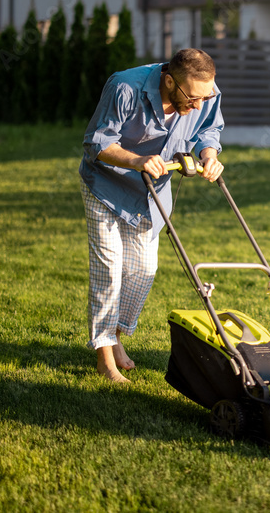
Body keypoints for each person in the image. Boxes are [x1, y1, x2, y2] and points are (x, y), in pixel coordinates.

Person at [79, 48, 224, 383]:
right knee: (109, 272)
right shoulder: (125, 87)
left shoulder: (205, 91)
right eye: (193, 97)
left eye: (206, 96)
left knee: (143, 270)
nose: (199, 104)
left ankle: (115, 336)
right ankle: (105, 357)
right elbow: (96, 143)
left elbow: (208, 130)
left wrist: (209, 155)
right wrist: (136, 161)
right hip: (107, 187)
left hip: (152, 194)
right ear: (169, 81)